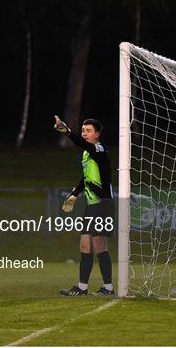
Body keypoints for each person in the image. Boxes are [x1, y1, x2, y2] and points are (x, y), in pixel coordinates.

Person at [54, 115, 115, 296]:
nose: (85, 133)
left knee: (99, 245)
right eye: (83, 131)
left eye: (88, 131)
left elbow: (83, 144)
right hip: (91, 205)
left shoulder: (100, 149)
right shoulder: (87, 153)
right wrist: (74, 194)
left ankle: (109, 288)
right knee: (84, 245)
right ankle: (82, 288)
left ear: (97, 134)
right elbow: (86, 177)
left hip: (103, 204)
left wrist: (67, 132)